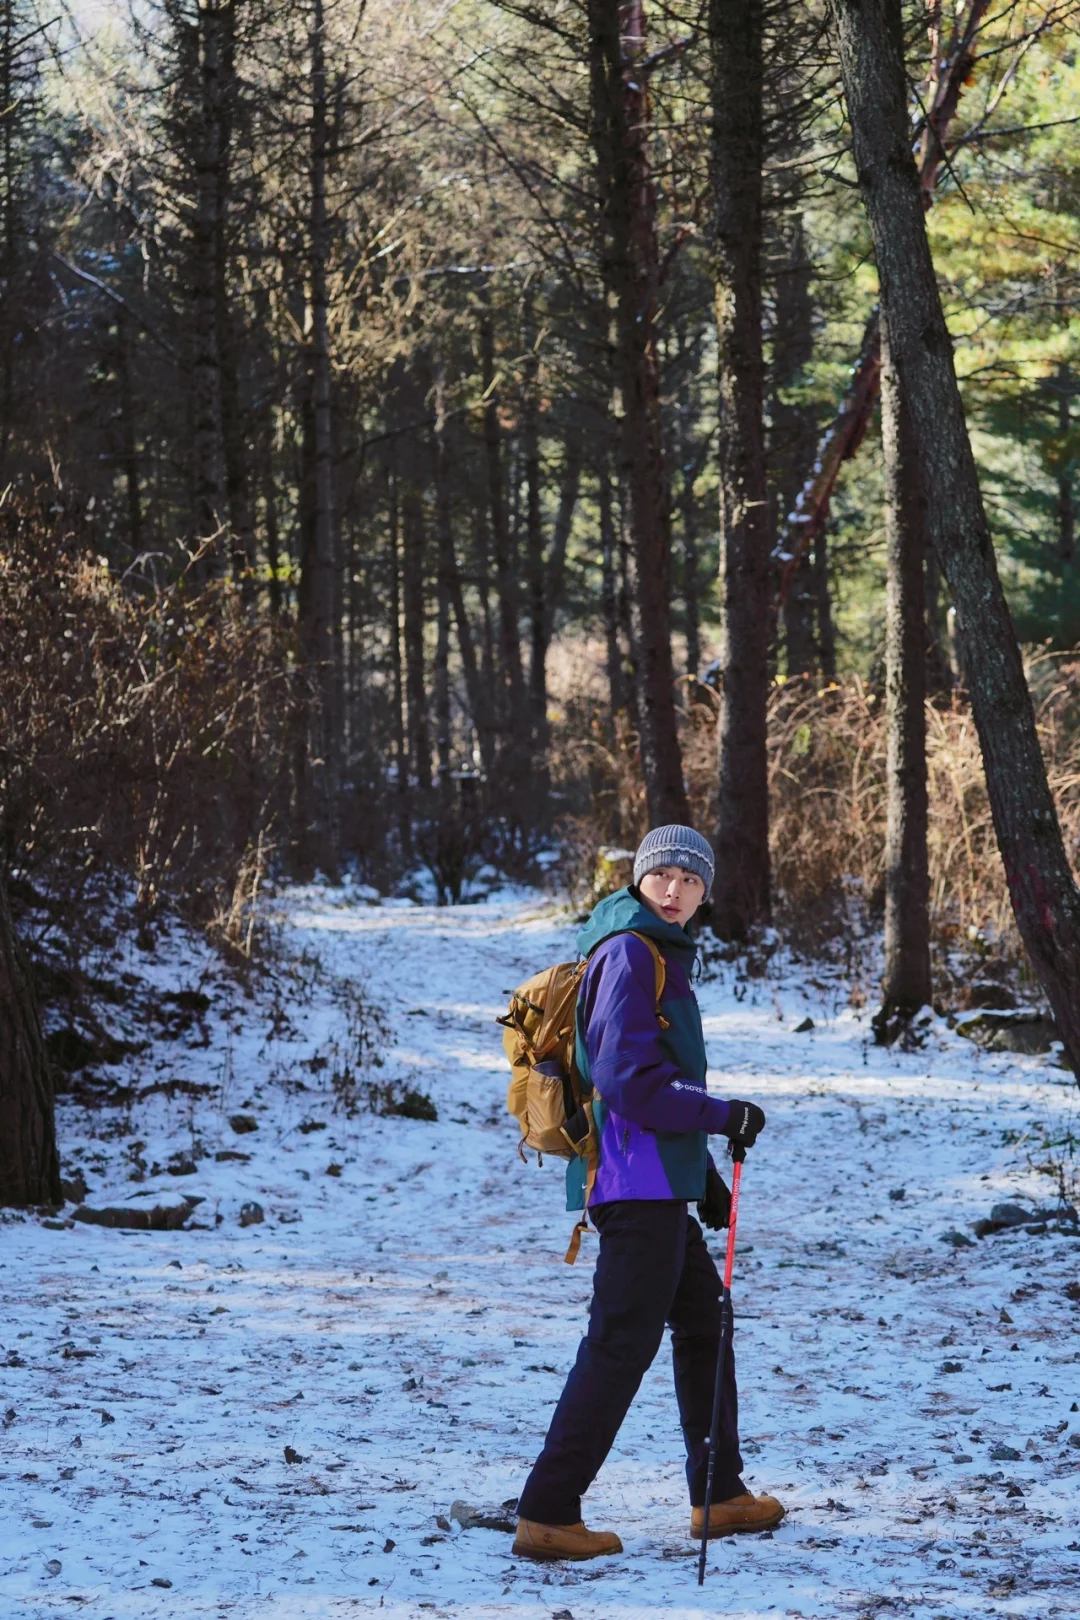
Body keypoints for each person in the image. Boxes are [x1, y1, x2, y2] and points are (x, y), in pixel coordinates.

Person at [513, 824, 783, 1562]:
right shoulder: (630, 952)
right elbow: (628, 1085)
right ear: (639, 878)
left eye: (691, 881)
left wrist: (705, 1179)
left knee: (704, 1319)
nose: (675, 890)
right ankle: (548, 1510)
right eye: (663, 875)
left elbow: (657, 1083)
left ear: (706, 893)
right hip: (633, 1187)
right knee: (618, 1344)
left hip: (658, 1182)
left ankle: (720, 1492)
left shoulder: (658, 953)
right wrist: (723, 1116)